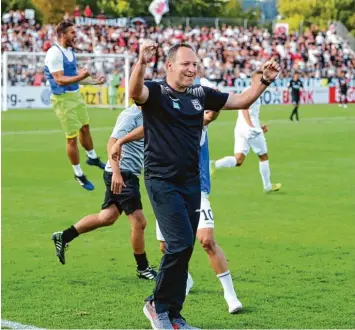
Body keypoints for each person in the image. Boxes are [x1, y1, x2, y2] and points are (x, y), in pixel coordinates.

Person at [128, 40, 280, 329]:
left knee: (185, 248)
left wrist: (264, 80)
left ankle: (174, 316)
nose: (191, 69)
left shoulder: (200, 94)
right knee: (180, 242)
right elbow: (135, 92)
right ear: (170, 65)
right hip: (162, 180)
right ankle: (156, 305)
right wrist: (142, 61)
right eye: (185, 64)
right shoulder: (156, 92)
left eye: (195, 64)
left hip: (191, 182)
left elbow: (242, 100)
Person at [112, 111, 243, 314]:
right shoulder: (163, 122)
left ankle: (230, 296)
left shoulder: (193, 121)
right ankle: (187, 279)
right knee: (167, 247)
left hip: (195, 190)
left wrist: (216, 106)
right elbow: (147, 129)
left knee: (207, 240)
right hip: (166, 192)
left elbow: (208, 117)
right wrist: (122, 140)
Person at [51, 104, 157, 280]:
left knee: (107, 217)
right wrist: (116, 173)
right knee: (139, 222)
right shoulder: (130, 115)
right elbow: (111, 143)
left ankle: (63, 236)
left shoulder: (149, 112)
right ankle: (143, 268)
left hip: (124, 173)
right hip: (122, 173)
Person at [44, 21, 105, 191]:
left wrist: (93, 81)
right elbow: (60, 80)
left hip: (75, 95)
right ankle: (78, 174)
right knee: (71, 138)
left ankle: (92, 158)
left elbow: (75, 76)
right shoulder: (54, 53)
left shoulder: (70, 51)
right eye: (72, 32)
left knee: (85, 127)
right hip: (62, 99)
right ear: (62, 34)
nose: (75, 35)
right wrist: (82, 76)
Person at [212, 71, 281, 193]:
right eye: (259, 79)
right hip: (249, 130)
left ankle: (213, 165)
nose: (261, 81)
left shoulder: (249, 91)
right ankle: (267, 186)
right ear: (253, 80)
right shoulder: (251, 92)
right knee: (263, 156)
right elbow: (244, 108)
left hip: (240, 129)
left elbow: (252, 113)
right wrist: (252, 127)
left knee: (238, 159)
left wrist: (259, 126)